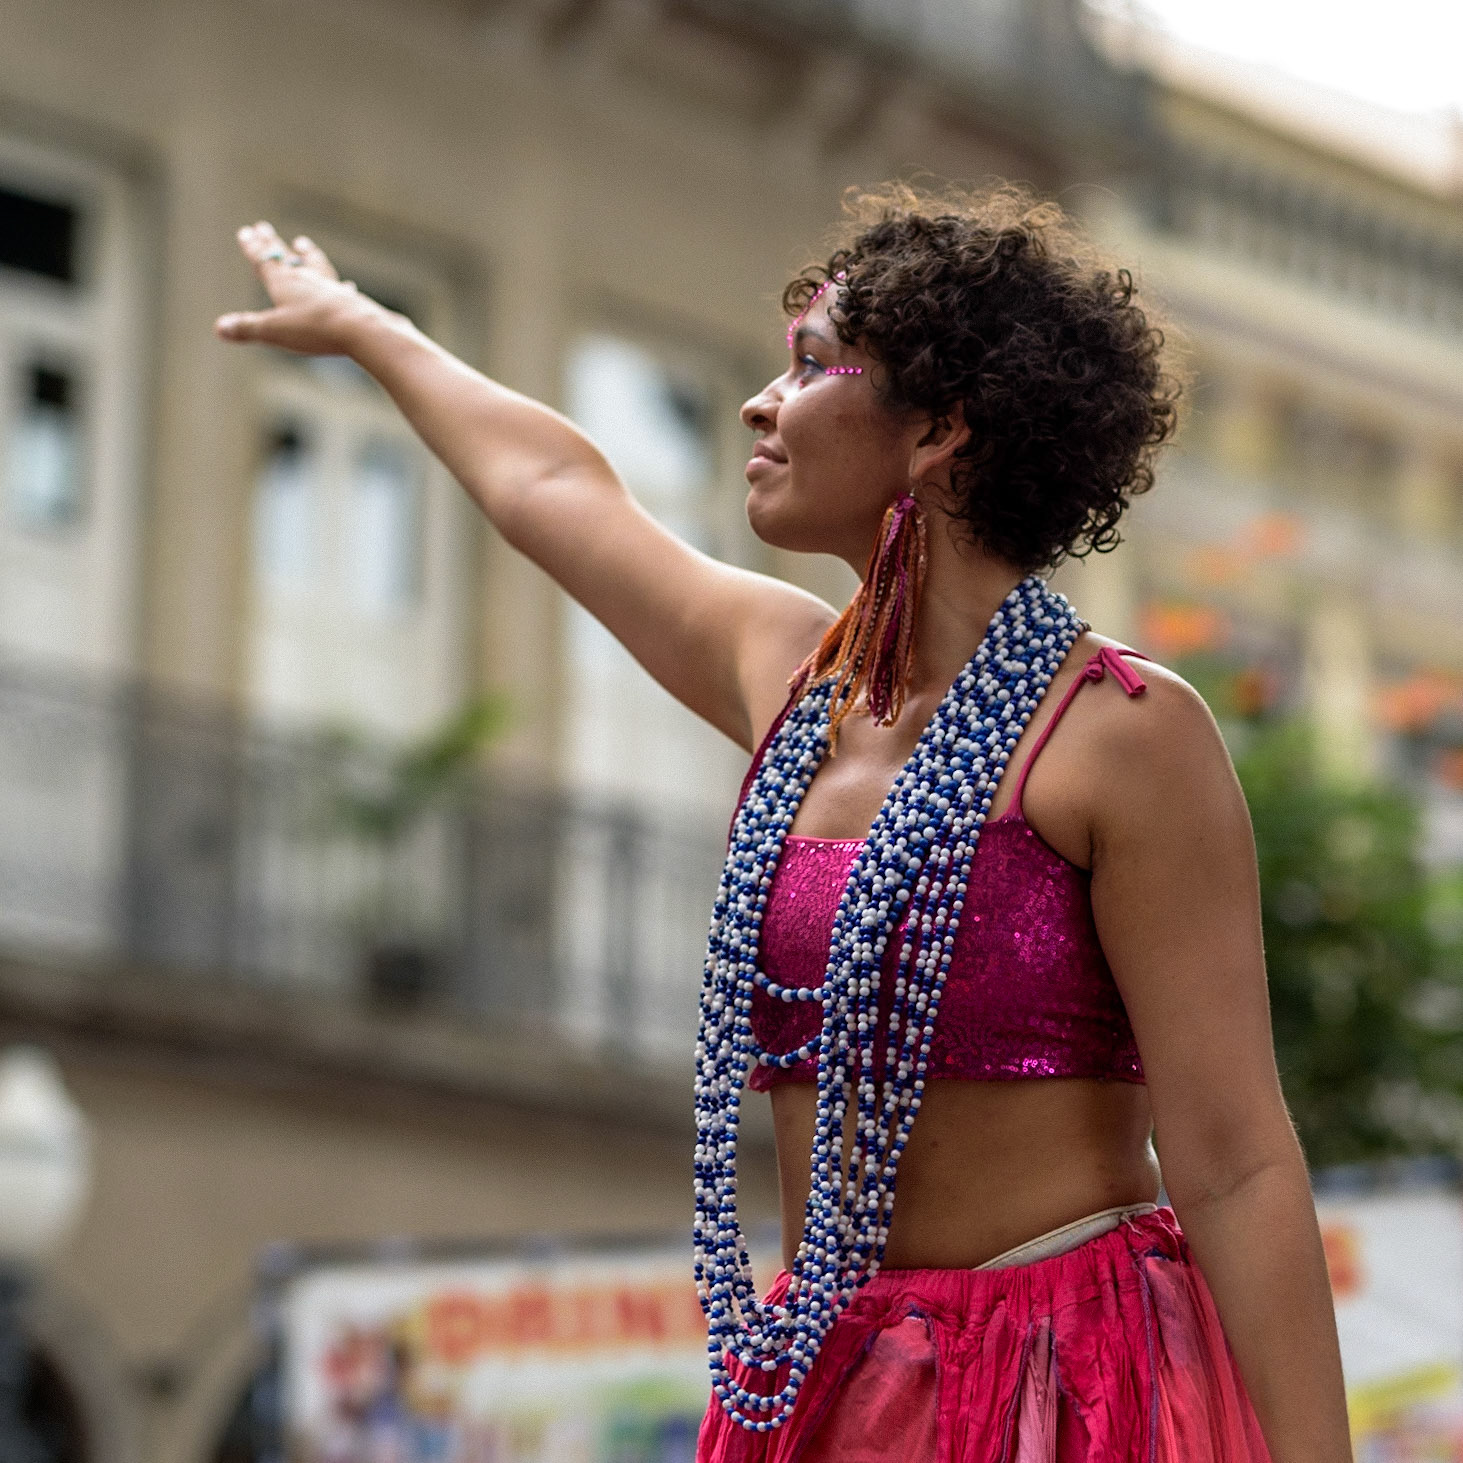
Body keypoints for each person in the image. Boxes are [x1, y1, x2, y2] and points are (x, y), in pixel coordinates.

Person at [216, 182, 1353, 1462]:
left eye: (811, 365)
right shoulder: (792, 678)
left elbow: (1234, 1161)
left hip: (1066, 1386)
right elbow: (550, 486)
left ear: (940, 430)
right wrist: (364, 326)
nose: (761, 403)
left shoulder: (1124, 734)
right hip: (832, 1378)